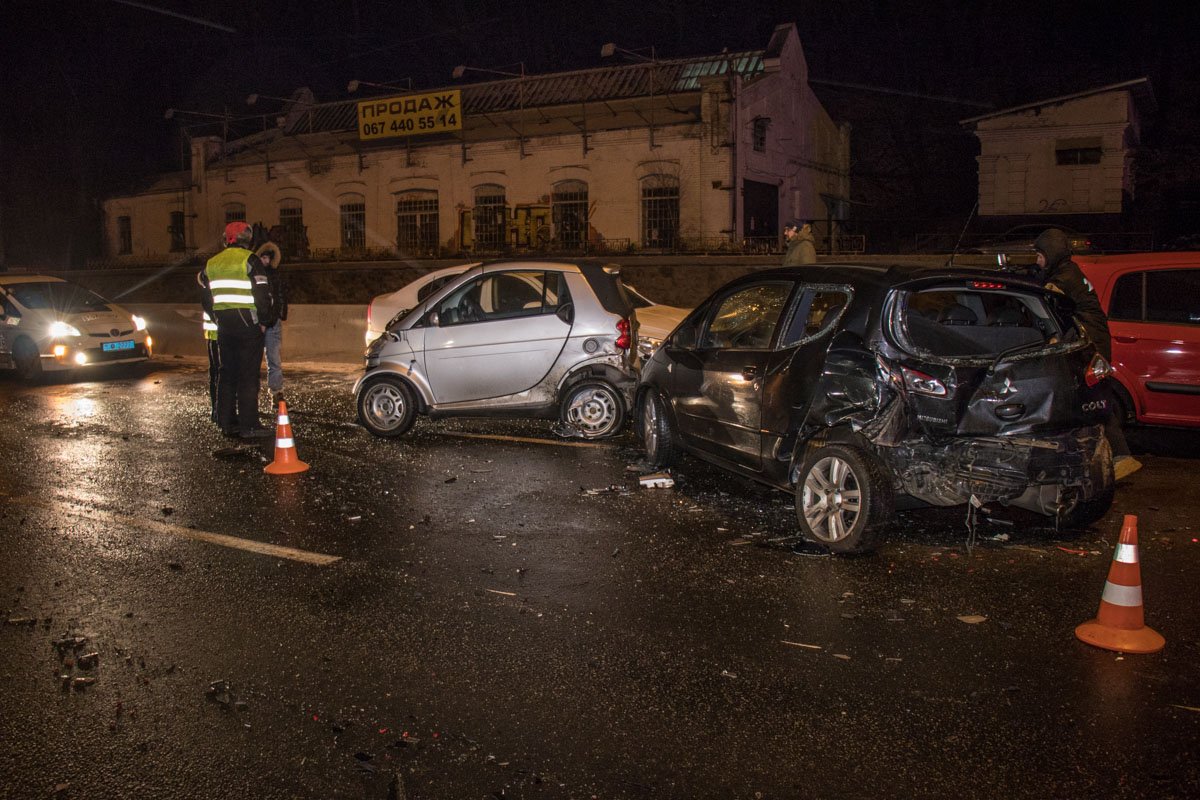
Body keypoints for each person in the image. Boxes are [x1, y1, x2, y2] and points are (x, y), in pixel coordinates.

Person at [1033, 228, 1141, 479]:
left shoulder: (1062, 280)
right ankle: (1115, 456)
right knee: (1092, 399)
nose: (1037, 261)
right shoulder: (1068, 271)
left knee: (1092, 399)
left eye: (1040, 256)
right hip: (1094, 341)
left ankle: (1120, 457)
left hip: (1090, 344)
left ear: (1052, 254)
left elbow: (1044, 303)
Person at [200, 221, 276, 439]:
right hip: (248, 326)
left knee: (226, 374)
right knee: (248, 376)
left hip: (224, 326)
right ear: (248, 239)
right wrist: (263, 321)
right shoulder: (250, 260)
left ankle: (227, 422)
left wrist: (217, 318)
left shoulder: (211, 263)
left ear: (227, 239)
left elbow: (205, 297)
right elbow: (262, 294)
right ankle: (249, 425)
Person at [257, 241, 286, 403]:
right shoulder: (255, 276)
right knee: (254, 360)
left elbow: (279, 297)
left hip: (271, 322)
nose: (266, 261)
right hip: (258, 323)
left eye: (269, 258)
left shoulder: (275, 275)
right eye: (264, 257)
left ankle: (276, 392)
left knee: (274, 358)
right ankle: (250, 394)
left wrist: (278, 315)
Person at [196, 271, 222, 423]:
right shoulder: (209, 294)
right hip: (216, 337)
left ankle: (217, 408)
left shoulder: (208, 292)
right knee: (218, 374)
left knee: (216, 374)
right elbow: (213, 315)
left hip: (213, 338)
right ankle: (217, 408)